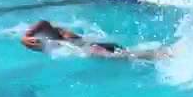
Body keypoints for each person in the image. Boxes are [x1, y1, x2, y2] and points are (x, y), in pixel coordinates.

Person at [20, 20, 170, 61]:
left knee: (129, 57)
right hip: (100, 46)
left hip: (95, 48)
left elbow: (43, 23)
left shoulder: (61, 38)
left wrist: (26, 36)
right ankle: (163, 53)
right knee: (131, 54)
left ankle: (163, 55)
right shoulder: (63, 36)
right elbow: (45, 24)